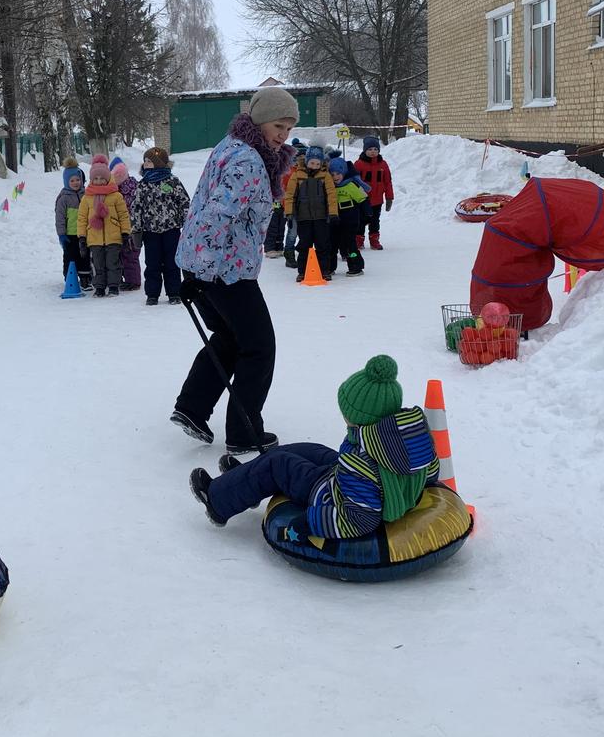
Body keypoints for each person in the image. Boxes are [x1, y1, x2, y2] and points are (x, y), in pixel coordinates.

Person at [172, 85, 297, 455]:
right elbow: (214, 215)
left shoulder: (234, 147)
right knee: (259, 347)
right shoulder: (247, 161)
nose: (283, 134)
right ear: (259, 120)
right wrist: (201, 272)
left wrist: (195, 271)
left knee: (231, 337)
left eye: (289, 128)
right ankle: (244, 432)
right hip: (224, 270)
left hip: (211, 265)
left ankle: (192, 408)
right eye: (279, 125)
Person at [188, 356, 438, 535]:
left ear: (362, 417)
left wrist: (309, 522)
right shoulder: (410, 436)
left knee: (279, 464)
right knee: (307, 450)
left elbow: (359, 519)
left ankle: (217, 500)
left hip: (332, 496)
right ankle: (243, 481)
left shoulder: (358, 465)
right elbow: (430, 473)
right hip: (362, 478)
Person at [128, 146, 190, 305]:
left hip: (171, 229)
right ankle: (152, 294)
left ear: (159, 162)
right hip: (150, 231)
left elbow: (183, 201)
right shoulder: (143, 185)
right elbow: (136, 207)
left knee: (171, 262)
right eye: (145, 161)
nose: (146, 163)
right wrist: (136, 228)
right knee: (152, 263)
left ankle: (174, 292)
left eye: (149, 161)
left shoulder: (171, 181)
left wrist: (186, 222)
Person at [283, 145, 338, 281]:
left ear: (321, 163)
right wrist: (289, 213)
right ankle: (302, 271)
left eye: (317, 163)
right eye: (312, 163)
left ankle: (324, 270)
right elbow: (290, 195)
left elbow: (331, 195)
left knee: (322, 244)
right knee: (304, 245)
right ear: (306, 161)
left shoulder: (325, 176)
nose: (314, 166)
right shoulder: (297, 175)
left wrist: (333, 213)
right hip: (303, 218)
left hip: (321, 217)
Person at [79, 158, 132, 297]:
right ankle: (100, 287)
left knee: (113, 263)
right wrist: (82, 237)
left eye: (102, 178)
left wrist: (125, 232)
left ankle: (113, 286)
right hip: (94, 238)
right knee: (98, 265)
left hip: (113, 237)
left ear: (108, 178)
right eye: (95, 178)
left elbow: (123, 215)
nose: (98, 181)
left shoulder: (116, 196)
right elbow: (82, 219)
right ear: (91, 179)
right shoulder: (87, 198)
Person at [353, 136, 395, 250]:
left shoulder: (383, 165)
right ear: (365, 150)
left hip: (377, 200)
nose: (373, 152)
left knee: (375, 221)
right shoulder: (359, 164)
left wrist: (389, 197)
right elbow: (353, 181)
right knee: (360, 221)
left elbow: (387, 182)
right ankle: (358, 240)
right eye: (370, 149)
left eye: (375, 149)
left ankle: (374, 240)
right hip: (362, 199)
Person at [327, 158, 366, 277]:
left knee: (349, 244)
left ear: (343, 172)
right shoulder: (329, 187)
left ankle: (356, 265)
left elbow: (363, 199)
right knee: (332, 244)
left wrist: (367, 214)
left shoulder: (351, 185)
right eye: (332, 174)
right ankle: (329, 267)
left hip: (349, 217)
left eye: (338, 174)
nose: (335, 177)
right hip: (334, 218)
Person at [55, 158, 90, 287]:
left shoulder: (86, 195)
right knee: (70, 256)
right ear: (66, 182)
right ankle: (70, 277)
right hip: (70, 234)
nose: (75, 183)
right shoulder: (63, 198)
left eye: (78, 180)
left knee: (85, 256)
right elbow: (60, 218)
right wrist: (61, 234)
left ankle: (86, 278)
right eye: (72, 180)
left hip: (84, 233)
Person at [109, 158, 142, 291]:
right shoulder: (133, 185)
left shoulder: (121, 190)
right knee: (126, 255)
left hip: (130, 227)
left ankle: (133, 281)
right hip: (127, 227)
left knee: (130, 256)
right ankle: (129, 279)